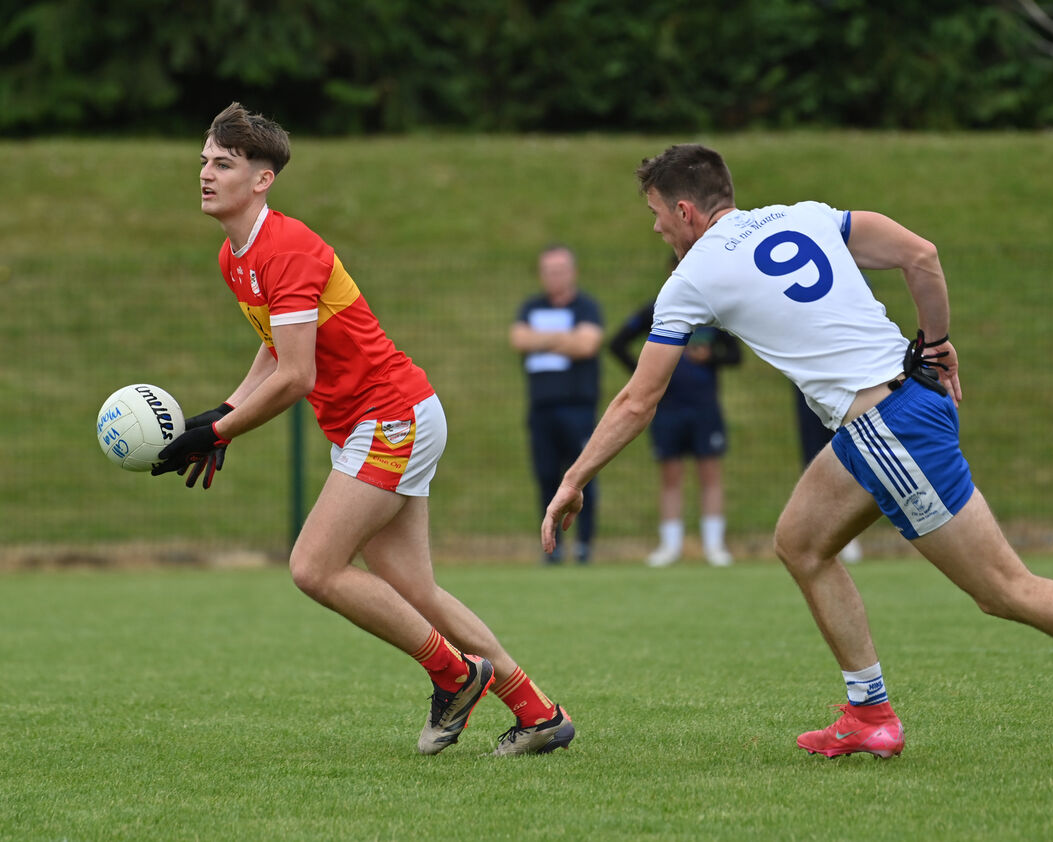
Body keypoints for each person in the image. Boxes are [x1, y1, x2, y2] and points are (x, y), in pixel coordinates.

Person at [541, 142, 1053, 758]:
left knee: (1006, 590)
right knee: (801, 541)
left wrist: (575, 477)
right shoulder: (801, 214)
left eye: (657, 216)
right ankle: (869, 716)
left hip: (887, 429)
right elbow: (921, 254)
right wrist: (936, 343)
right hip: (892, 412)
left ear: (685, 210)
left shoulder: (691, 276)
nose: (657, 231)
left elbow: (637, 399)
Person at [152, 102, 573, 756]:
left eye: (223, 163)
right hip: (385, 419)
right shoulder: (235, 258)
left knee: (314, 567)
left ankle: (453, 675)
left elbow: (295, 376)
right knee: (413, 589)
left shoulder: (286, 248)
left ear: (262, 179)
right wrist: (223, 410)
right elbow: (275, 345)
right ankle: (537, 711)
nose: (205, 173)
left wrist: (222, 431)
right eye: (204, 160)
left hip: (390, 416)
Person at [609, 288, 741, 566]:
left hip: (705, 407)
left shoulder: (712, 308)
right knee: (671, 475)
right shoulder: (657, 308)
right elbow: (617, 344)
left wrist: (709, 358)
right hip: (667, 408)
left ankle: (714, 546)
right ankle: (670, 546)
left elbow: (735, 356)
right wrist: (644, 375)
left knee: (710, 474)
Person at [509, 244, 604, 564]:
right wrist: (564, 338)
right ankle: (552, 547)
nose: (555, 277)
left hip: (578, 407)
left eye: (561, 270)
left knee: (582, 477)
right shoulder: (530, 306)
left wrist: (542, 339)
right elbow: (519, 340)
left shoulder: (586, 307)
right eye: (549, 271)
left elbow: (587, 345)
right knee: (546, 476)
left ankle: (584, 546)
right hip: (541, 408)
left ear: (573, 272)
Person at [794, 387, 863, 563]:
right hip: (808, 386)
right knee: (813, 457)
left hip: (843, 384)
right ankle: (820, 533)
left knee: (848, 456)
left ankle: (846, 534)